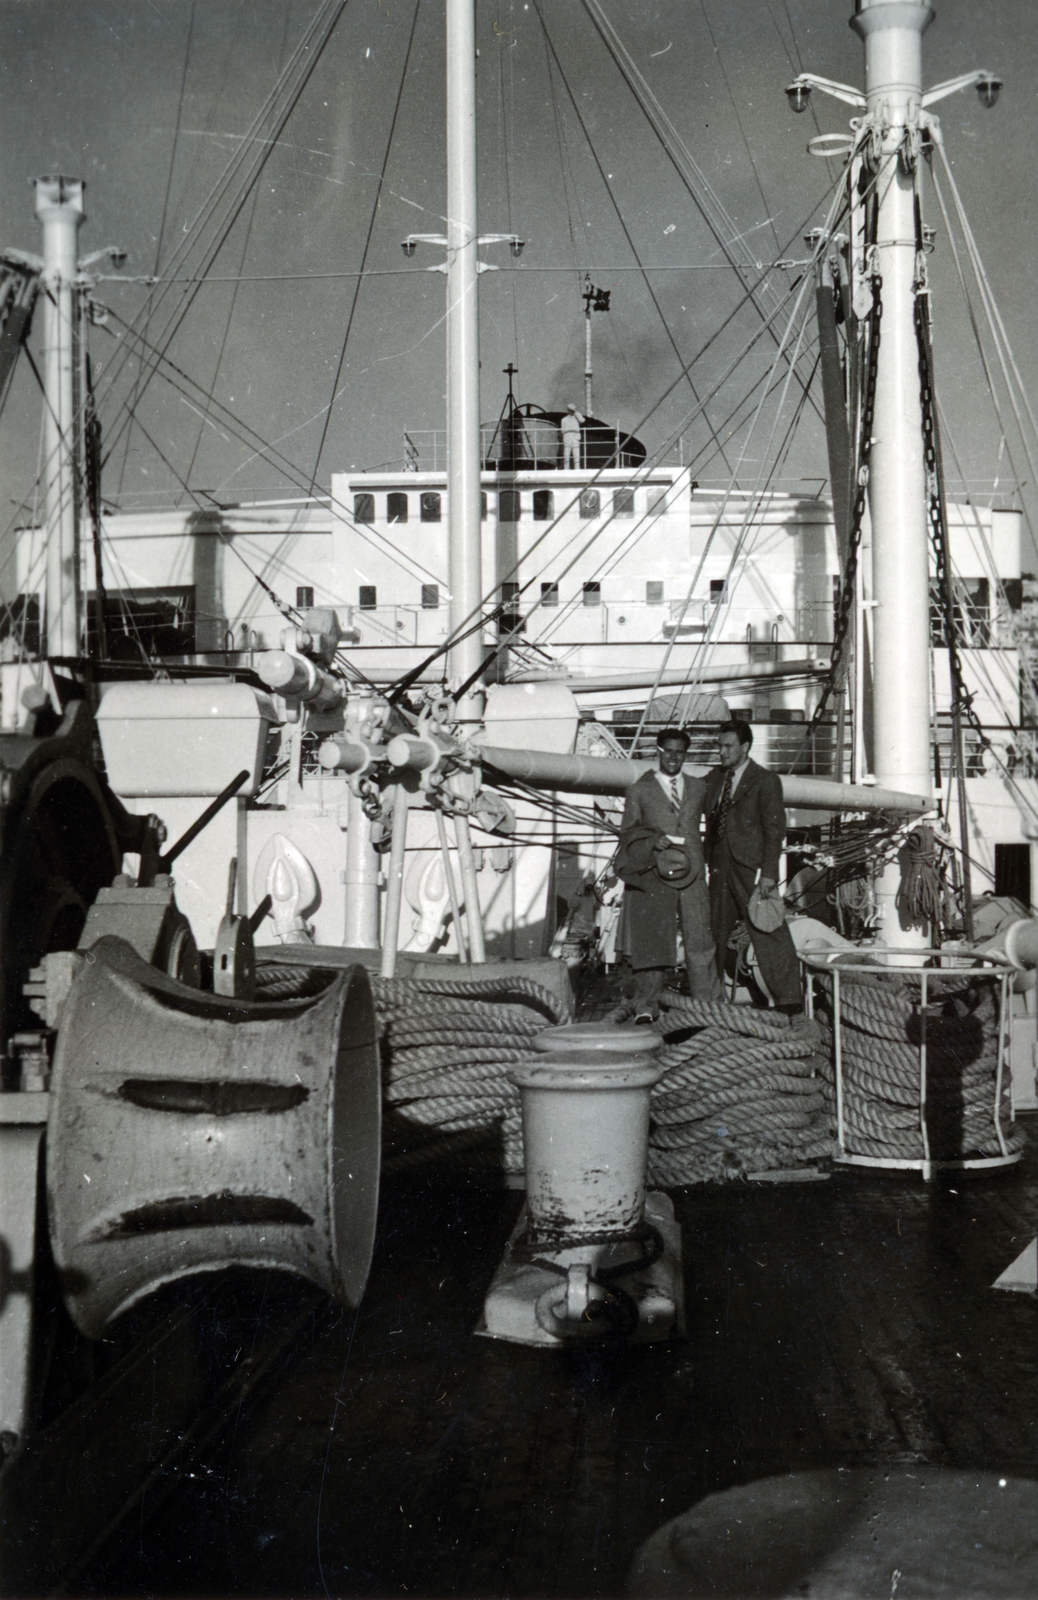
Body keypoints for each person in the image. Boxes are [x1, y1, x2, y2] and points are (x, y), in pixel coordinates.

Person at [617, 726, 722, 1021]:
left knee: (700, 938)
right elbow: (628, 832)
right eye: (668, 751)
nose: (674, 757)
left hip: (692, 874)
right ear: (658, 751)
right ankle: (647, 1006)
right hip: (656, 872)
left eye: (680, 752)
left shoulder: (699, 787)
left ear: (685, 755)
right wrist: (653, 841)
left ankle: (707, 1005)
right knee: (652, 939)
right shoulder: (639, 790)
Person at [704, 719, 802, 1015]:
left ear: (745, 747)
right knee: (715, 933)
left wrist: (769, 874)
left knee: (768, 928)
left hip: (752, 869)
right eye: (719, 745)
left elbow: (775, 830)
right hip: (719, 865)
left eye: (728, 746)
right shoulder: (714, 779)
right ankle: (712, 997)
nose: (721, 752)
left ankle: (789, 1001)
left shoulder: (765, 781)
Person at [560, 403, 584, 469]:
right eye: (570, 410)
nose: (571, 411)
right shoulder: (564, 419)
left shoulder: (577, 418)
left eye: (572, 410)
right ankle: (566, 469)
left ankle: (577, 469)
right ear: (568, 410)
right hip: (567, 439)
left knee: (576, 456)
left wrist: (576, 412)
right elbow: (563, 430)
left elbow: (582, 420)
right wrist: (573, 429)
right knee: (566, 456)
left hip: (575, 439)